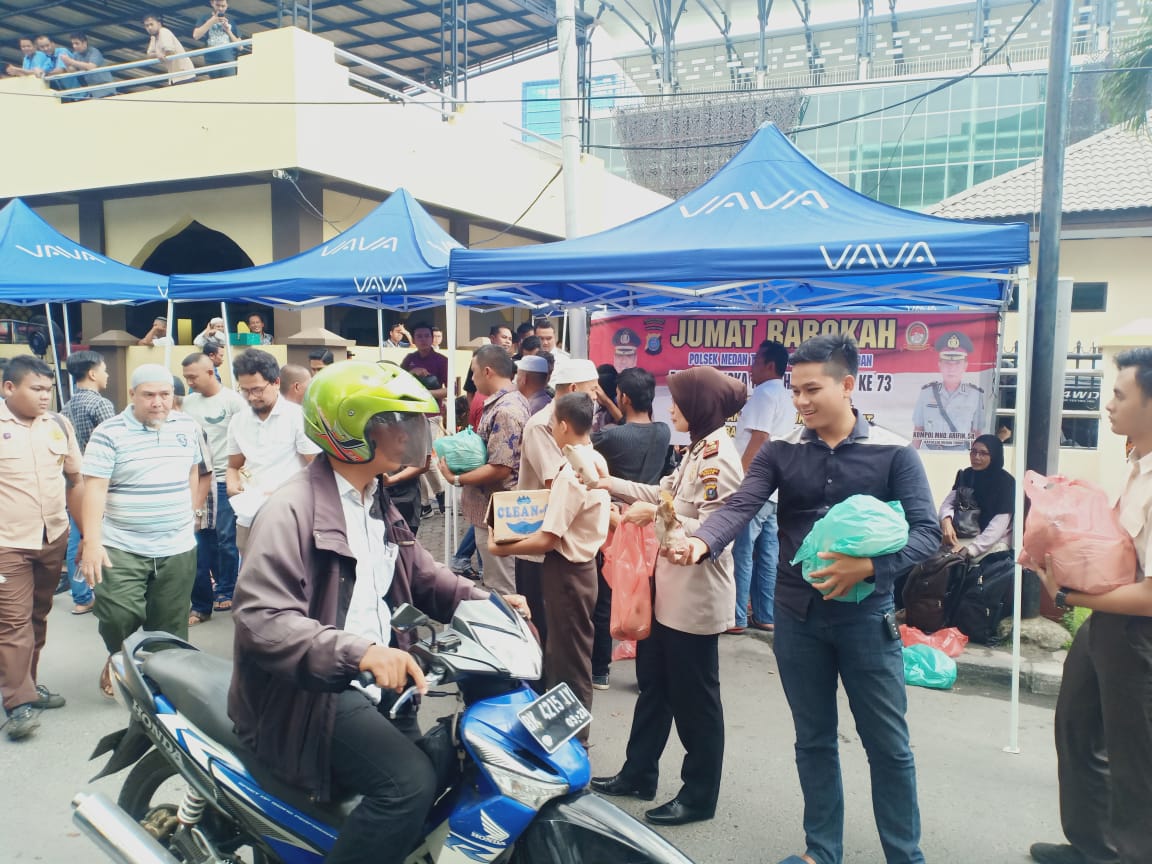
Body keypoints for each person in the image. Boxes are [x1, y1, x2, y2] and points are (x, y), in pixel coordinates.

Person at [229, 361, 528, 864]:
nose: (413, 435)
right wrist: (360, 652)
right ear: (352, 430)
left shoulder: (375, 498)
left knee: (442, 771)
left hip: (377, 682)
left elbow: (422, 573)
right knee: (408, 787)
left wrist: (487, 601)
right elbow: (262, 617)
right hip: (315, 690)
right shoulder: (292, 510)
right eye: (398, 422)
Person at [671, 334, 940, 863]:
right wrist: (703, 540)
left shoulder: (893, 452)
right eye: (795, 391)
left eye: (812, 389)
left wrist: (871, 566)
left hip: (867, 619)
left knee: (888, 746)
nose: (801, 401)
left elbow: (927, 533)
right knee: (813, 741)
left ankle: (905, 856)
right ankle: (822, 852)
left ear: (848, 385)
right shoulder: (780, 450)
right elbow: (741, 503)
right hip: (798, 621)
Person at [589, 366, 746, 826]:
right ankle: (639, 773)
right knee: (654, 686)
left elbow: (721, 528)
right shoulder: (696, 448)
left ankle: (699, 796)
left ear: (699, 405)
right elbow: (665, 495)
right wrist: (612, 485)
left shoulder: (719, 456)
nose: (670, 408)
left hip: (694, 599)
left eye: (677, 401)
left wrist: (656, 515)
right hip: (667, 594)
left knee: (696, 700)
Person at [1029, 347, 1152, 864]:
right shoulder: (1134, 461)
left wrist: (1068, 595)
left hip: (1138, 634)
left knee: (1135, 759)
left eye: (1120, 396)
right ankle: (1093, 846)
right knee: (1077, 729)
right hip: (1107, 622)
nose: (1108, 405)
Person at [80, 365, 203, 699]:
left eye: (165, 394)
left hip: (176, 545)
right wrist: (91, 541)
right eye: (149, 395)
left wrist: (189, 511)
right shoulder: (109, 432)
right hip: (122, 544)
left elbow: (193, 471)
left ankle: (164, 687)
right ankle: (120, 657)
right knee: (118, 613)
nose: (158, 402)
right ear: (132, 395)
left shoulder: (187, 426)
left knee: (170, 625)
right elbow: (94, 489)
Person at [489, 392, 610, 725]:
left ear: (563, 425)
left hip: (569, 572)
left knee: (568, 664)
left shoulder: (572, 474)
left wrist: (503, 547)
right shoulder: (591, 460)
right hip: (578, 571)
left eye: (553, 422)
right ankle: (565, 737)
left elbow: (547, 539)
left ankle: (574, 742)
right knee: (566, 657)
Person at [0, 356, 83, 740]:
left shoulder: (59, 426)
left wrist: (87, 537)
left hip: (52, 537)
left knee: (37, 617)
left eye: (49, 389)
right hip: (7, 543)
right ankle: (18, 704)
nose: (45, 396)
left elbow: (75, 481)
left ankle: (27, 685)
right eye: (36, 389)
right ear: (8, 388)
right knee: (14, 623)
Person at [512, 358, 600, 659]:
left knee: (563, 637)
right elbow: (557, 481)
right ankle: (538, 694)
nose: (598, 394)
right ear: (574, 389)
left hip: (558, 543)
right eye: (593, 388)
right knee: (542, 629)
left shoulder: (572, 424)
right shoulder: (543, 427)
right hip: (539, 543)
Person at [590, 366, 672, 689]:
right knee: (648, 595)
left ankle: (600, 670)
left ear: (622, 397)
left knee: (606, 596)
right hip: (650, 521)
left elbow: (588, 441)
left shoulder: (610, 436)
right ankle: (646, 675)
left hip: (617, 520)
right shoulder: (663, 431)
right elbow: (635, 426)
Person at [437, 345, 530, 595]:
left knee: (503, 590)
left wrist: (455, 478)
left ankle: (513, 633)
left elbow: (500, 468)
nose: (473, 379)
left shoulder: (506, 409)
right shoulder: (505, 402)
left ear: (487, 371)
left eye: (474, 372)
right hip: (493, 510)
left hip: (499, 512)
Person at [226, 349, 321, 551]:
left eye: (258, 390)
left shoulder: (297, 417)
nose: (251, 397)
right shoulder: (238, 421)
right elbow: (233, 466)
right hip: (248, 514)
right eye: (245, 390)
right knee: (251, 574)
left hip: (289, 514)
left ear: (276, 382)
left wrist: (284, 492)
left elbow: (318, 468)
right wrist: (232, 485)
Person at [730, 340, 794, 634]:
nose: (751, 367)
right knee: (767, 553)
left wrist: (739, 479)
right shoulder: (785, 396)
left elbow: (758, 439)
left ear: (769, 365)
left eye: (755, 361)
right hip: (775, 488)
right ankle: (765, 614)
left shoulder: (765, 395)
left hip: (756, 486)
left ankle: (737, 616)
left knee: (742, 551)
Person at [182, 353, 247, 624]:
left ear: (210, 372)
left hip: (224, 478)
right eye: (186, 377)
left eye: (193, 377)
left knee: (226, 540)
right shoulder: (187, 403)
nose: (189, 382)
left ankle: (226, 589)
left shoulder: (233, 401)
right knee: (199, 541)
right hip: (197, 479)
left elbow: (245, 438)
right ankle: (201, 601)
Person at [60, 350, 115, 615]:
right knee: (99, 537)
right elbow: (115, 444)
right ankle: (105, 592)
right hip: (98, 481)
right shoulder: (101, 405)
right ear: (93, 373)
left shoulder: (66, 407)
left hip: (74, 482)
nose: (107, 375)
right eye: (104, 369)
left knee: (77, 537)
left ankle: (81, 597)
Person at [939, 433, 1014, 560]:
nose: (976, 457)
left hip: (992, 542)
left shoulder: (1006, 482)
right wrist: (946, 521)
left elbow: (999, 525)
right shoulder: (967, 474)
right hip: (964, 534)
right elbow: (948, 503)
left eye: (983, 453)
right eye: (973, 451)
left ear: (994, 456)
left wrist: (971, 549)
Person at [912, 330, 985, 451]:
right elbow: (918, 430)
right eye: (947, 363)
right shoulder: (927, 392)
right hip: (929, 452)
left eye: (957, 363)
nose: (952, 369)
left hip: (960, 453)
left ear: (965, 365)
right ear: (940, 365)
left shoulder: (975, 395)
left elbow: (977, 433)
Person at [191, 0, 241, 77]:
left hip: (228, 60)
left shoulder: (231, 21)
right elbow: (196, 35)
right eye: (218, 5)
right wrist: (212, 21)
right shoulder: (204, 18)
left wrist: (228, 31)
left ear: (227, 6)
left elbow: (240, 47)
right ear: (212, 3)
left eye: (223, 6)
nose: (220, 8)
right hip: (211, 60)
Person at [57, 33, 116, 97]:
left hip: (105, 88)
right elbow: (73, 71)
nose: (74, 46)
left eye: (77, 43)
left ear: (84, 43)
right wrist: (66, 63)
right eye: (73, 44)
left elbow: (91, 66)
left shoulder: (94, 51)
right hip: (92, 90)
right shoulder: (76, 55)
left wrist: (71, 61)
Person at [400, 321, 448, 401]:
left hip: (432, 410)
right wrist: (412, 372)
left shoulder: (442, 360)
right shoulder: (409, 358)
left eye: (427, 336)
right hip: (410, 408)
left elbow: (451, 390)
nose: (423, 339)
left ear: (432, 339)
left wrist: (424, 393)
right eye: (419, 336)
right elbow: (398, 381)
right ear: (413, 340)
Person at [143, 13, 195, 85]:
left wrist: (160, 55)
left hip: (184, 74)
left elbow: (170, 51)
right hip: (173, 76)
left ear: (159, 24)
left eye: (151, 24)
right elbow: (149, 54)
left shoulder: (164, 32)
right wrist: (158, 54)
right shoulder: (153, 38)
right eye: (147, 26)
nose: (149, 27)